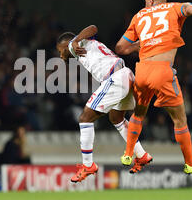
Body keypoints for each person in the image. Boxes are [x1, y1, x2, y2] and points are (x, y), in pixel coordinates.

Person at [115, 0, 192, 174]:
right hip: (162, 71)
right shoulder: (173, 7)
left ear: (150, 1)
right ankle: (190, 163)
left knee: (139, 114)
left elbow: (120, 48)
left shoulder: (139, 16)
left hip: (142, 71)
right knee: (180, 120)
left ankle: (127, 153)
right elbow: (187, 8)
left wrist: (138, 46)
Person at [57, 25, 152, 183]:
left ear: (66, 44)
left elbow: (93, 27)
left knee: (85, 118)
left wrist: (74, 41)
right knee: (116, 118)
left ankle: (88, 165)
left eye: (60, 50)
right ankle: (142, 155)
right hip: (125, 75)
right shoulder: (87, 44)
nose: (61, 55)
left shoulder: (75, 44)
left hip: (115, 78)